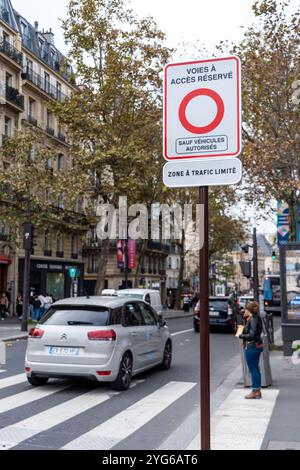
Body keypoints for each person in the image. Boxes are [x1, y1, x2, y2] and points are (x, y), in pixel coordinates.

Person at [239, 301, 263, 399]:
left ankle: (255, 391)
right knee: (255, 368)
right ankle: (257, 390)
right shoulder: (255, 318)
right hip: (256, 345)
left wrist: (241, 336)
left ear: (248, 310)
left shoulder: (253, 319)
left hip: (252, 346)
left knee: (253, 369)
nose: (244, 310)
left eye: (245, 309)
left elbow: (252, 335)